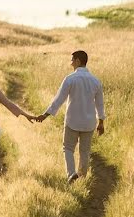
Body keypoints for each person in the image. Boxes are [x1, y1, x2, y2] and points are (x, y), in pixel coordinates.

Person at [35, 50, 105, 184]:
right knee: (85, 151)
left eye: (72, 59)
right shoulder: (96, 81)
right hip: (89, 123)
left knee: (68, 148)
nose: (70, 62)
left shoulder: (70, 79)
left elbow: (58, 100)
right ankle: (82, 178)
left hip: (72, 121)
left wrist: (45, 115)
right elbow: (100, 104)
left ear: (78, 61)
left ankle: (71, 174)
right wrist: (101, 121)